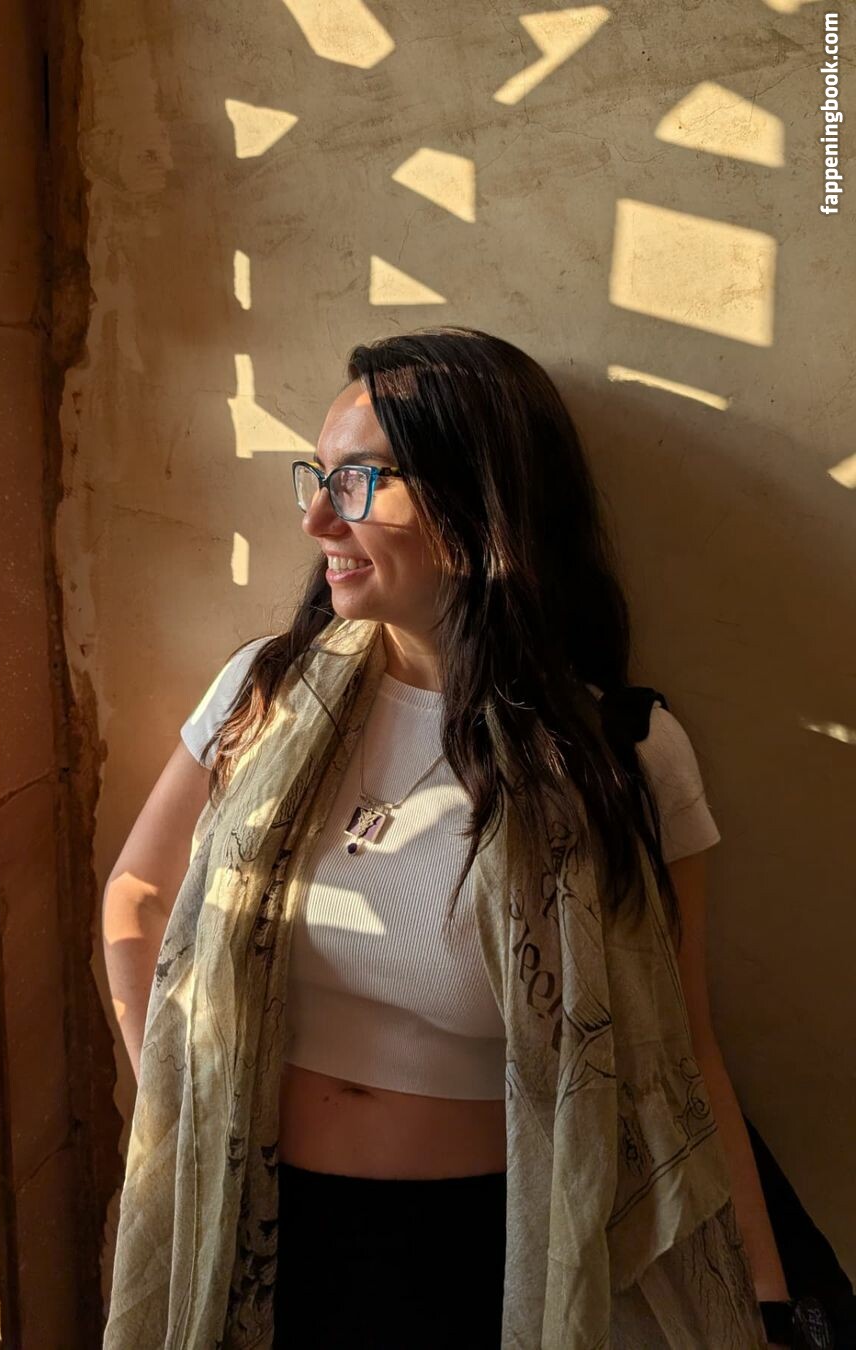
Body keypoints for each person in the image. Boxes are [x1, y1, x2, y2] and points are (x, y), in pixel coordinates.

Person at [101, 326, 784, 1347]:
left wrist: (764, 1300)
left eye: (359, 482)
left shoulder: (623, 758)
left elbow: (681, 1053)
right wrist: (178, 1105)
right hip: (250, 1227)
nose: (316, 518)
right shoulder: (266, 692)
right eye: (317, 476)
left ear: (480, 506)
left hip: (483, 1257)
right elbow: (139, 895)